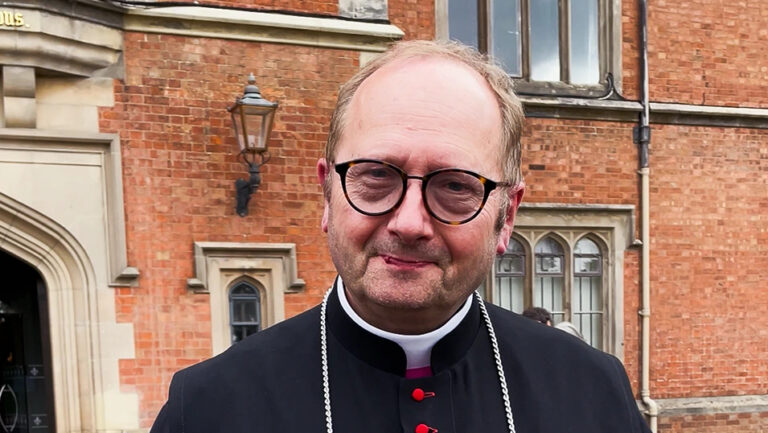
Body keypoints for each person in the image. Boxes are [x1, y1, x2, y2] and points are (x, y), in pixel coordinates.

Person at [150, 40, 650, 433]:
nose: (409, 223)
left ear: (507, 216)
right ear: (327, 194)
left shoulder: (595, 391)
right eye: (376, 175)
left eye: (455, 186)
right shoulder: (207, 408)